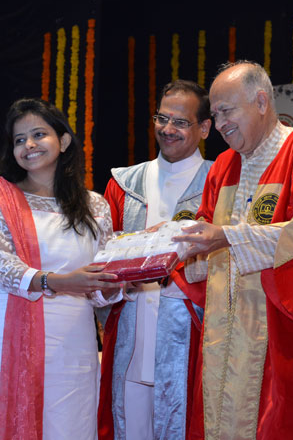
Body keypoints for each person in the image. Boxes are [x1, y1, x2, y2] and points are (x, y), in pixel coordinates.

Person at [172, 61, 293, 440]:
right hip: (223, 331)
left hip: (279, 336)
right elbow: (205, 230)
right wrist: (172, 244)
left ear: (262, 102)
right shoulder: (223, 166)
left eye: (227, 111)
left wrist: (228, 238)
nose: (220, 125)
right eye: (215, 115)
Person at [0, 98, 122, 440]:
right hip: (2, 332)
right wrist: (59, 282)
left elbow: (102, 275)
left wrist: (121, 279)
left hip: (71, 338)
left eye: (38, 134)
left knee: (67, 421)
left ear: (63, 141)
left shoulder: (95, 205)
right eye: (19, 140)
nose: (29, 145)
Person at [97, 80, 213, 440]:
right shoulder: (124, 184)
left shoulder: (220, 180)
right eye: (162, 118)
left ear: (205, 128)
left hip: (190, 335)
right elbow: (101, 258)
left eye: (180, 122)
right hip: (130, 329)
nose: (167, 129)